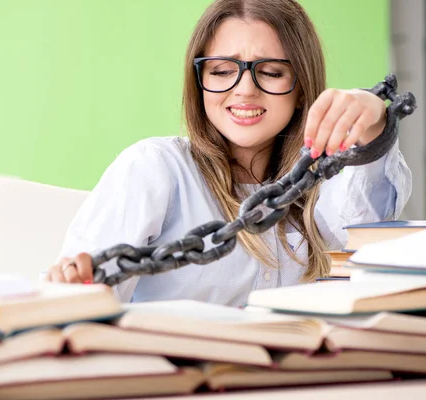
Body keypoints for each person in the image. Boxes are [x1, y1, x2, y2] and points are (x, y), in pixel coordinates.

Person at [43, 0, 412, 306]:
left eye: (269, 72)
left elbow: (367, 227)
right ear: (199, 82)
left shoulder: (323, 187)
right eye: (221, 71)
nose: (244, 90)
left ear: (302, 88)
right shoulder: (155, 170)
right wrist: (74, 288)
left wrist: (373, 127)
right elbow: (83, 303)